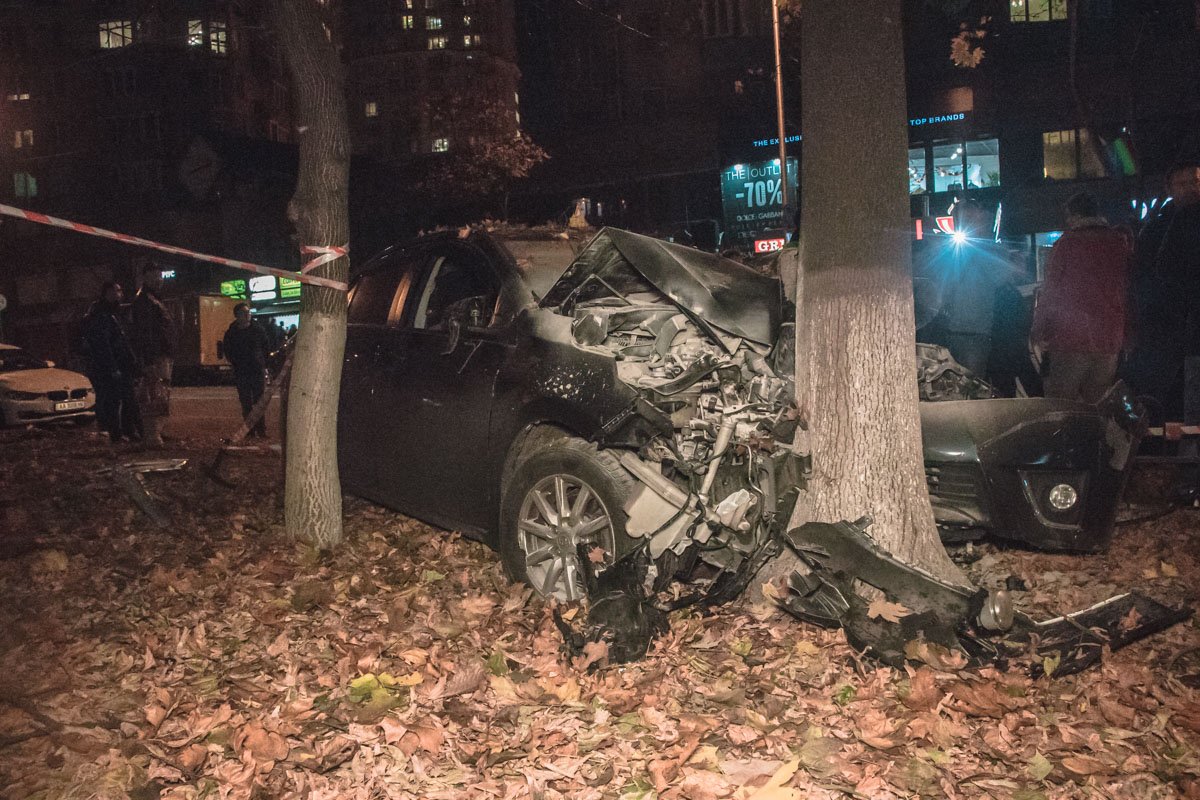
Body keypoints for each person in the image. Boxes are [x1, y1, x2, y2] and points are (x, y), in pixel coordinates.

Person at [1030, 193, 1131, 403]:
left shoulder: (1067, 244)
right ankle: (1096, 437)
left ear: (1073, 215)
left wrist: (1039, 330)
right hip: (1109, 338)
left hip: (1071, 337)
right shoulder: (1119, 243)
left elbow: (1053, 291)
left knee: (1062, 404)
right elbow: (1128, 290)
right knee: (1098, 403)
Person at [1124, 163, 1200, 422]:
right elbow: (1143, 278)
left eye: (1196, 182)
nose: (1192, 189)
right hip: (1164, 330)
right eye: (1185, 183)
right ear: (1170, 188)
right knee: (1169, 403)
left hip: (1183, 329)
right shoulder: (1158, 229)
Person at [931, 200, 1017, 377]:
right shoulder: (952, 250)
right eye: (959, 219)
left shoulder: (988, 249)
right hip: (951, 331)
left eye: (968, 218)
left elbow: (1004, 277)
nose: (963, 223)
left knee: (971, 385)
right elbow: (940, 284)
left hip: (976, 332)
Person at [80, 281, 142, 443]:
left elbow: (122, 339)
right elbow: (103, 344)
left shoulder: (114, 312)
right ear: (108, 292)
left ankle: (127, 430)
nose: (120, 294)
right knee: (113, 400)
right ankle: (115, 433)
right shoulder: (101, 314)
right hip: (111, 366)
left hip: (121, 363)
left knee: (127, 398)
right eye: (117, 290)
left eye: (120, 291)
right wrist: (112, 367)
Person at [130, 264, 177, 446]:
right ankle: (152, 436)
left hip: (162, 354)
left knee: (161, 394)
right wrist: (149, 361)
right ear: (145, 278)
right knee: (154, 395)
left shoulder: (154, 299)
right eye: (154, 277)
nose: (159, 280)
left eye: (160, 276)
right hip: (155, 357)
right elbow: (144, 333)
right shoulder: (144, 301)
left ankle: (157, 432)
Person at [222, 303, 270, 438]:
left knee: (259, 401)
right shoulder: (232, 333)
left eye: (248, 312)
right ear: (237, 315)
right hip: (241, 371)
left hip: (256, 370)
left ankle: (261, 429)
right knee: (246, 402)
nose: (248, 315)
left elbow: (266, 347)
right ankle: (250, 430)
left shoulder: (258, 330)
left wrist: (263, 364)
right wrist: (235, 362)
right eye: (244, 312)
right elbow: (228, 349)